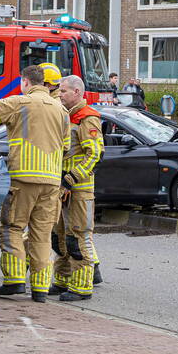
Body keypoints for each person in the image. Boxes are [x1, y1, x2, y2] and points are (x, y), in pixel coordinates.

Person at [0, 65, 69, 302]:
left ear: (26, 82)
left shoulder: (20, 102)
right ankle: (40, 289)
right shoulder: (61, 110)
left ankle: (15, 281)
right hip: (51, 181)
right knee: (42, 234)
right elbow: (66, 146)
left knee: (12, 228)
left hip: (24, 179)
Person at [49, 76, 103, 301]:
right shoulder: (67, 116)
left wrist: (72, 177)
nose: (59, 94)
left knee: (78, 237)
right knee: (59, 236)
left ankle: (82, 287)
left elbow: (95, 154)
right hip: (63, 187)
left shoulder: (87, 118)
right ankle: (62, 280)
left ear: (77, 92)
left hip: (78, 189)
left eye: (63, 91)